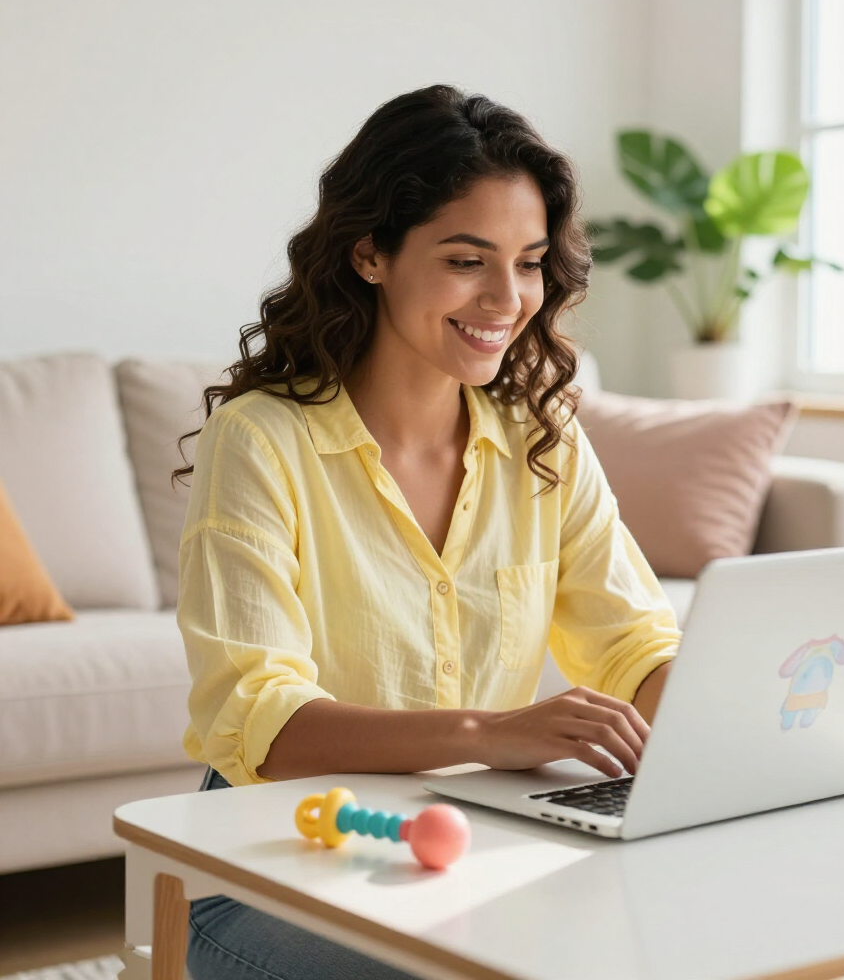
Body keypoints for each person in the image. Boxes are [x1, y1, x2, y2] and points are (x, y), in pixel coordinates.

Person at [175, 83, 680, 980]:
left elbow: (634, 640)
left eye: (528, 262)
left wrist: (729, 728)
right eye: (465, 259)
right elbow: (263, 721)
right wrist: (489, 733)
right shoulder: (260, 439)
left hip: (471, 849)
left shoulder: (542, 437)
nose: (506, 296)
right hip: (275, 865)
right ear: (371, 254)